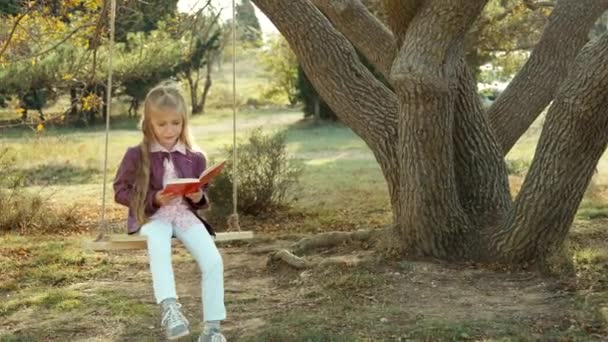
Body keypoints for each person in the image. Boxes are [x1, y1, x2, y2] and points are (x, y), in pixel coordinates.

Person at [113, 81, 226, 342]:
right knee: (158, 244)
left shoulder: (194, 156)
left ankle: (212, 328)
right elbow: (120, 191)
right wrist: (153, 198)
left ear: (184, 122)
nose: (169, 130)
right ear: (149, 123)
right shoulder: (136, 155)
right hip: (153, 216)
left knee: (213, 260)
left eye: (175, 123)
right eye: (161, 124)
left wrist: (198, 196)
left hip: (184, 216)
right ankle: (170, 309)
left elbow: (200, 192)